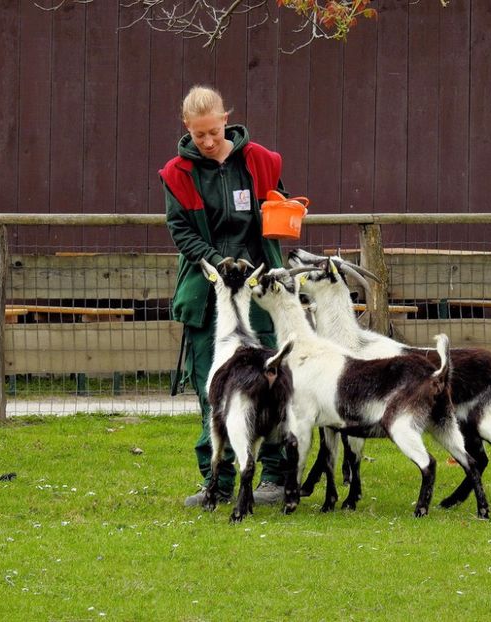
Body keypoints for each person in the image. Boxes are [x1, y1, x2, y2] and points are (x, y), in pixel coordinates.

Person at [159, 85, 288, 507]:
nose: (209, 142)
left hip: (259, 289)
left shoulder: (260, 161)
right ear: (187, 129)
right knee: (210, 388)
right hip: (207, 290)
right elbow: (181, 231)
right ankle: (217, 479)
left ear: (225, 119)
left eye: (214, 132)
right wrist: (217, 262)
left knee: (270, 381)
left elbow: (277, 205)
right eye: (200, 136)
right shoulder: (177, 174)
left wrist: (285, 213)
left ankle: (274, 476)